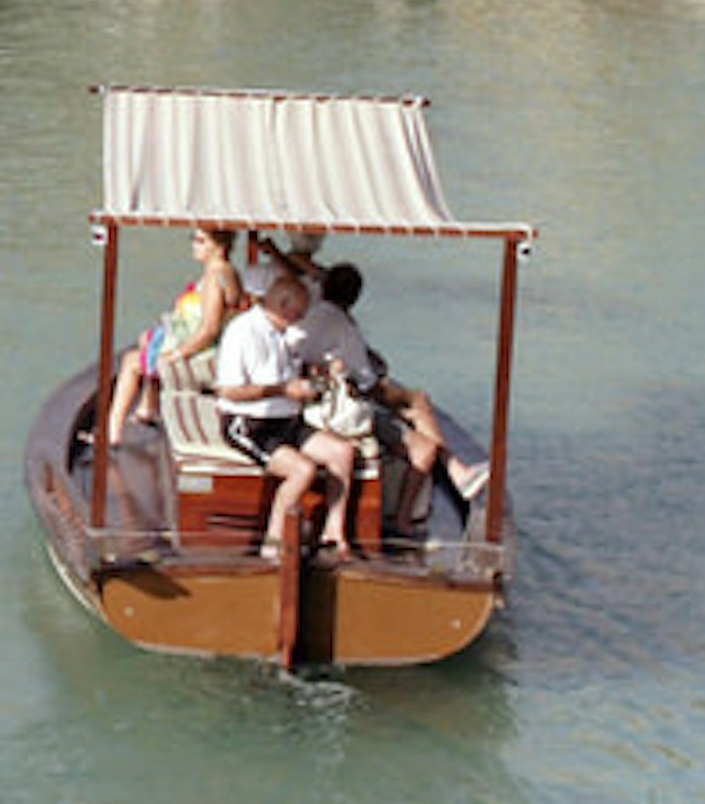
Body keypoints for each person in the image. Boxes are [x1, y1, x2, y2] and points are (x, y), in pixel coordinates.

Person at [215, 253, 362, 560]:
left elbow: (290, 369)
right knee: (302, 470)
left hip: (287, 421)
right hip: (249, 423)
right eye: (299, 314)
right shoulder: (243, 333)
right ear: (283, 307)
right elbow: (228, 390)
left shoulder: (283, 334)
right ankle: (274, 544)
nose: (302, 321)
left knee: (342, 453)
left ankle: (333, 532)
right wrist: (282, 389)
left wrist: (317, 373)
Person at [295, 258, 454, 492]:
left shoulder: (306, 316)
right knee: (419, 407)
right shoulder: (344, 329)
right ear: (355, 297)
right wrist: (405, 397)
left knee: (413, 406)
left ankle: (451, 467)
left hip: (308, 401)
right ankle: (447, 472)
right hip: (334, 411)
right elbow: (369, 385)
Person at [105, 223, 242, 458]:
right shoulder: (228, 271)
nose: (193, 245)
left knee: (131, 363)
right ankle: (146, 408)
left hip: (207, 352)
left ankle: (112, 433)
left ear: (218, 246)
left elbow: (208, 328)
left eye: (200, 241)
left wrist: (178, 354)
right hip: (212, 345)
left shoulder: (214, 276)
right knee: (149, 342)